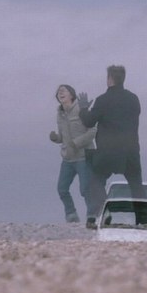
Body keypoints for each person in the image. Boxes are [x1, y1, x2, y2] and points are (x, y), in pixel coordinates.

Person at [78, 65, 146, 229]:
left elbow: (88, 122)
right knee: (136, 186)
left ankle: (101, 212)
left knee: (95, 179)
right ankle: (144, 221)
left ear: (109, 79)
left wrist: (84, 108)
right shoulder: (133, 99)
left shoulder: (102, 100)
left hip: (107, 151)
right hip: (130, 151)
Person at [49, 84, 97, 223]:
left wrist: (77, 143)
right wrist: (56, 138)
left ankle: (92, 215)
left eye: (63, 90)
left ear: (71, 94)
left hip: (83, 156)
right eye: (58, 91)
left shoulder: (81, 109)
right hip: (68, 158)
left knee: (85, 189)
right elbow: (63, 137)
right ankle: (71, 215)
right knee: (62, 189)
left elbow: (93, 131)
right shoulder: (60, 113)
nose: (60, 92)